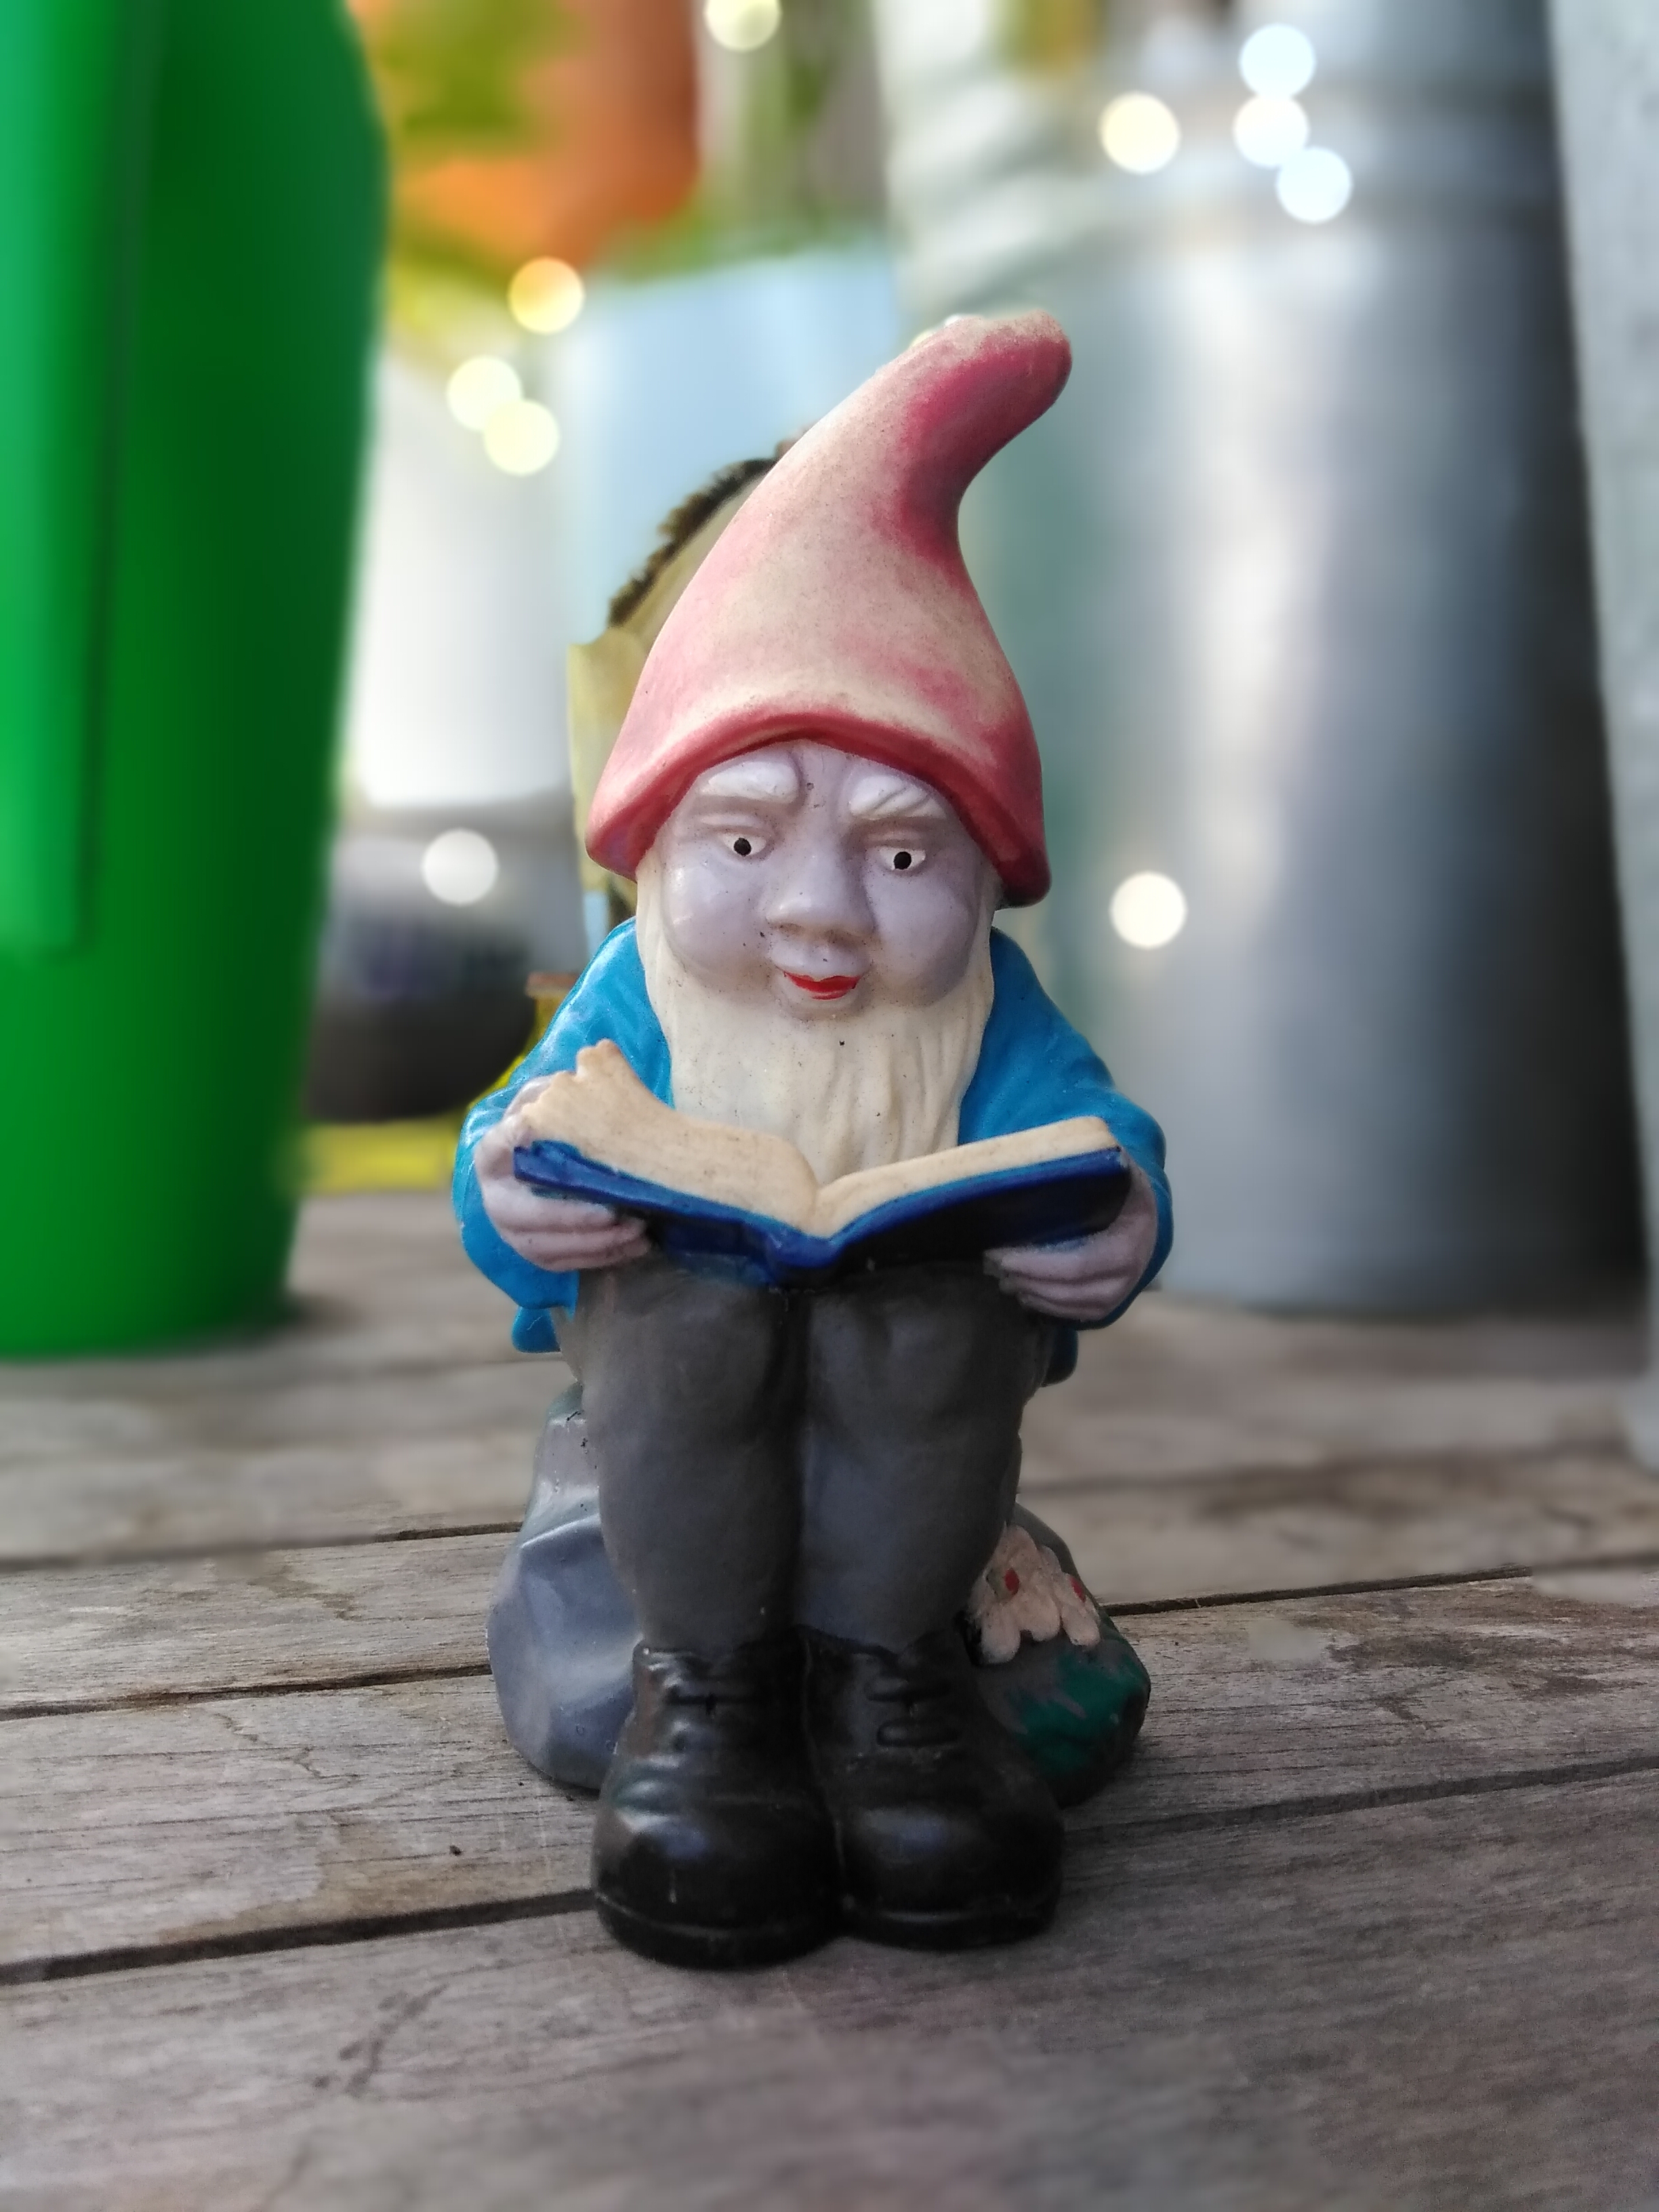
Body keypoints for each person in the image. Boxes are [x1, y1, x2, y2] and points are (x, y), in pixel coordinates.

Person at [455, 311, 1171, 1969]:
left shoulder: (983, 1011)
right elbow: (517, 1128)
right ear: (655, 850)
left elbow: (1095, 1132)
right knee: (683, 1327)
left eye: (902, 856)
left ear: (982, 874)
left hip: (916, 1407)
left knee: (928, 1331)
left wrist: (1118, 1217)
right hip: (679, 1393)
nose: (816, 913)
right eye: (745, 838)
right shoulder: (637, 993)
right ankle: (707, 1691)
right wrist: (509, 1191)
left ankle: (890, 1683)